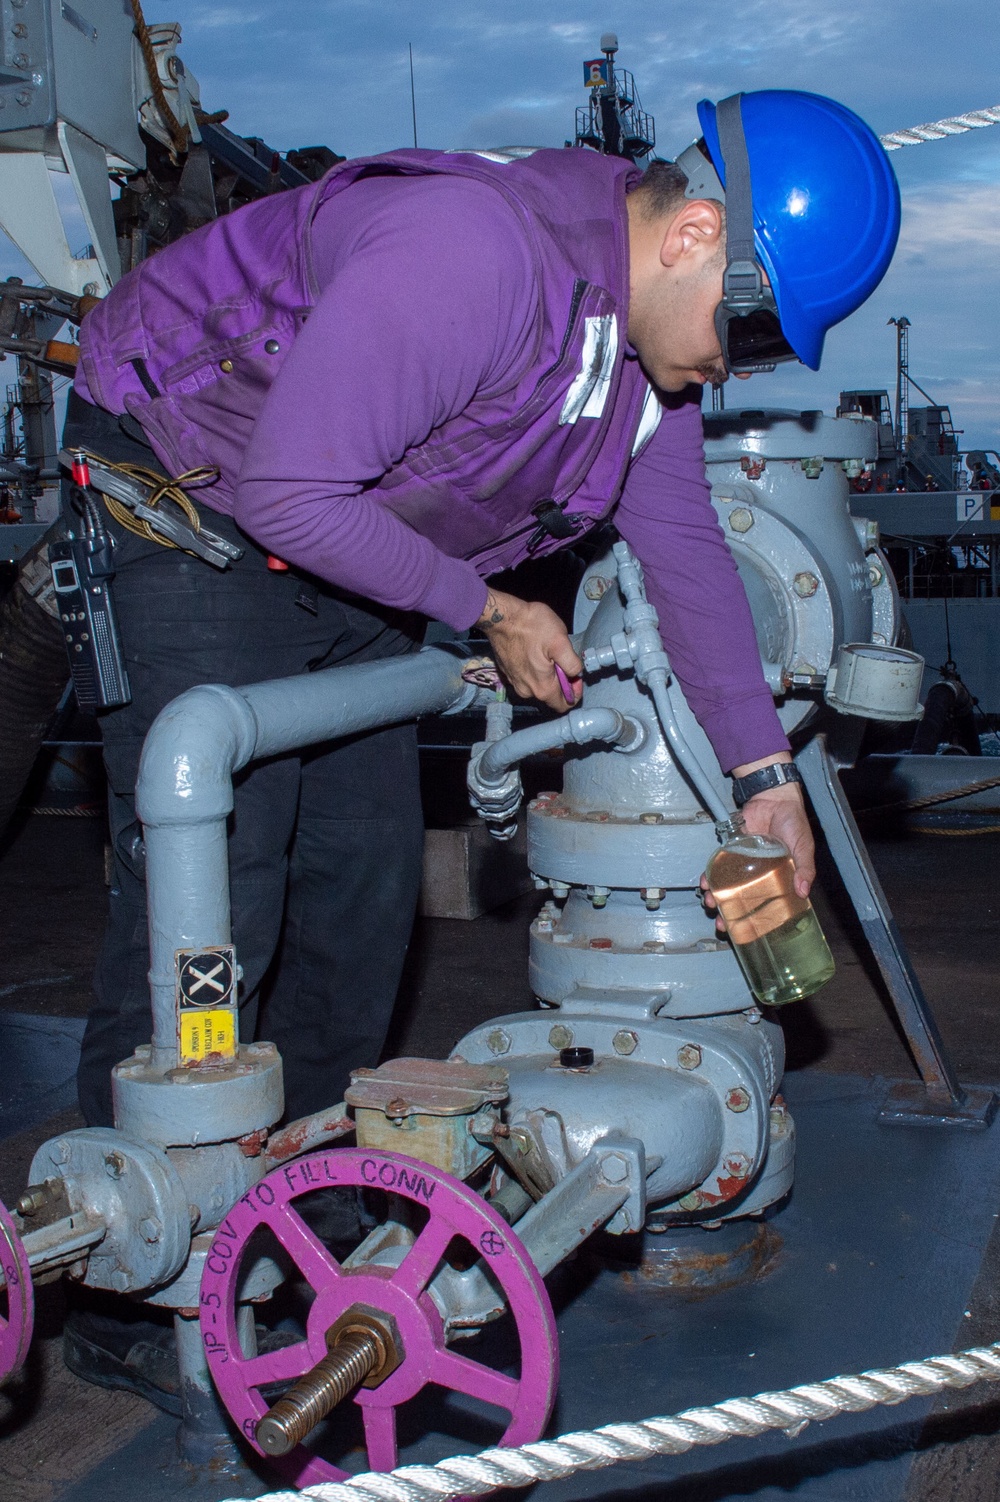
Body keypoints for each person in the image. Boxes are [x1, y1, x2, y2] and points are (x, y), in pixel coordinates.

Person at [63, 89, 899, 1405]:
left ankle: (308, 1211)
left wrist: (766, 777)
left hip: (327, 523)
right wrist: (487, 605)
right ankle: (134, 1274)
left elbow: (682, 560)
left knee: (361, 874)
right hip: (192, 489)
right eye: (748, 327)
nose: (737, 366)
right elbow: (291, 484)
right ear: (691, 234)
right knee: (223, 876)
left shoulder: (636, 379)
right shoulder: (478, 254)